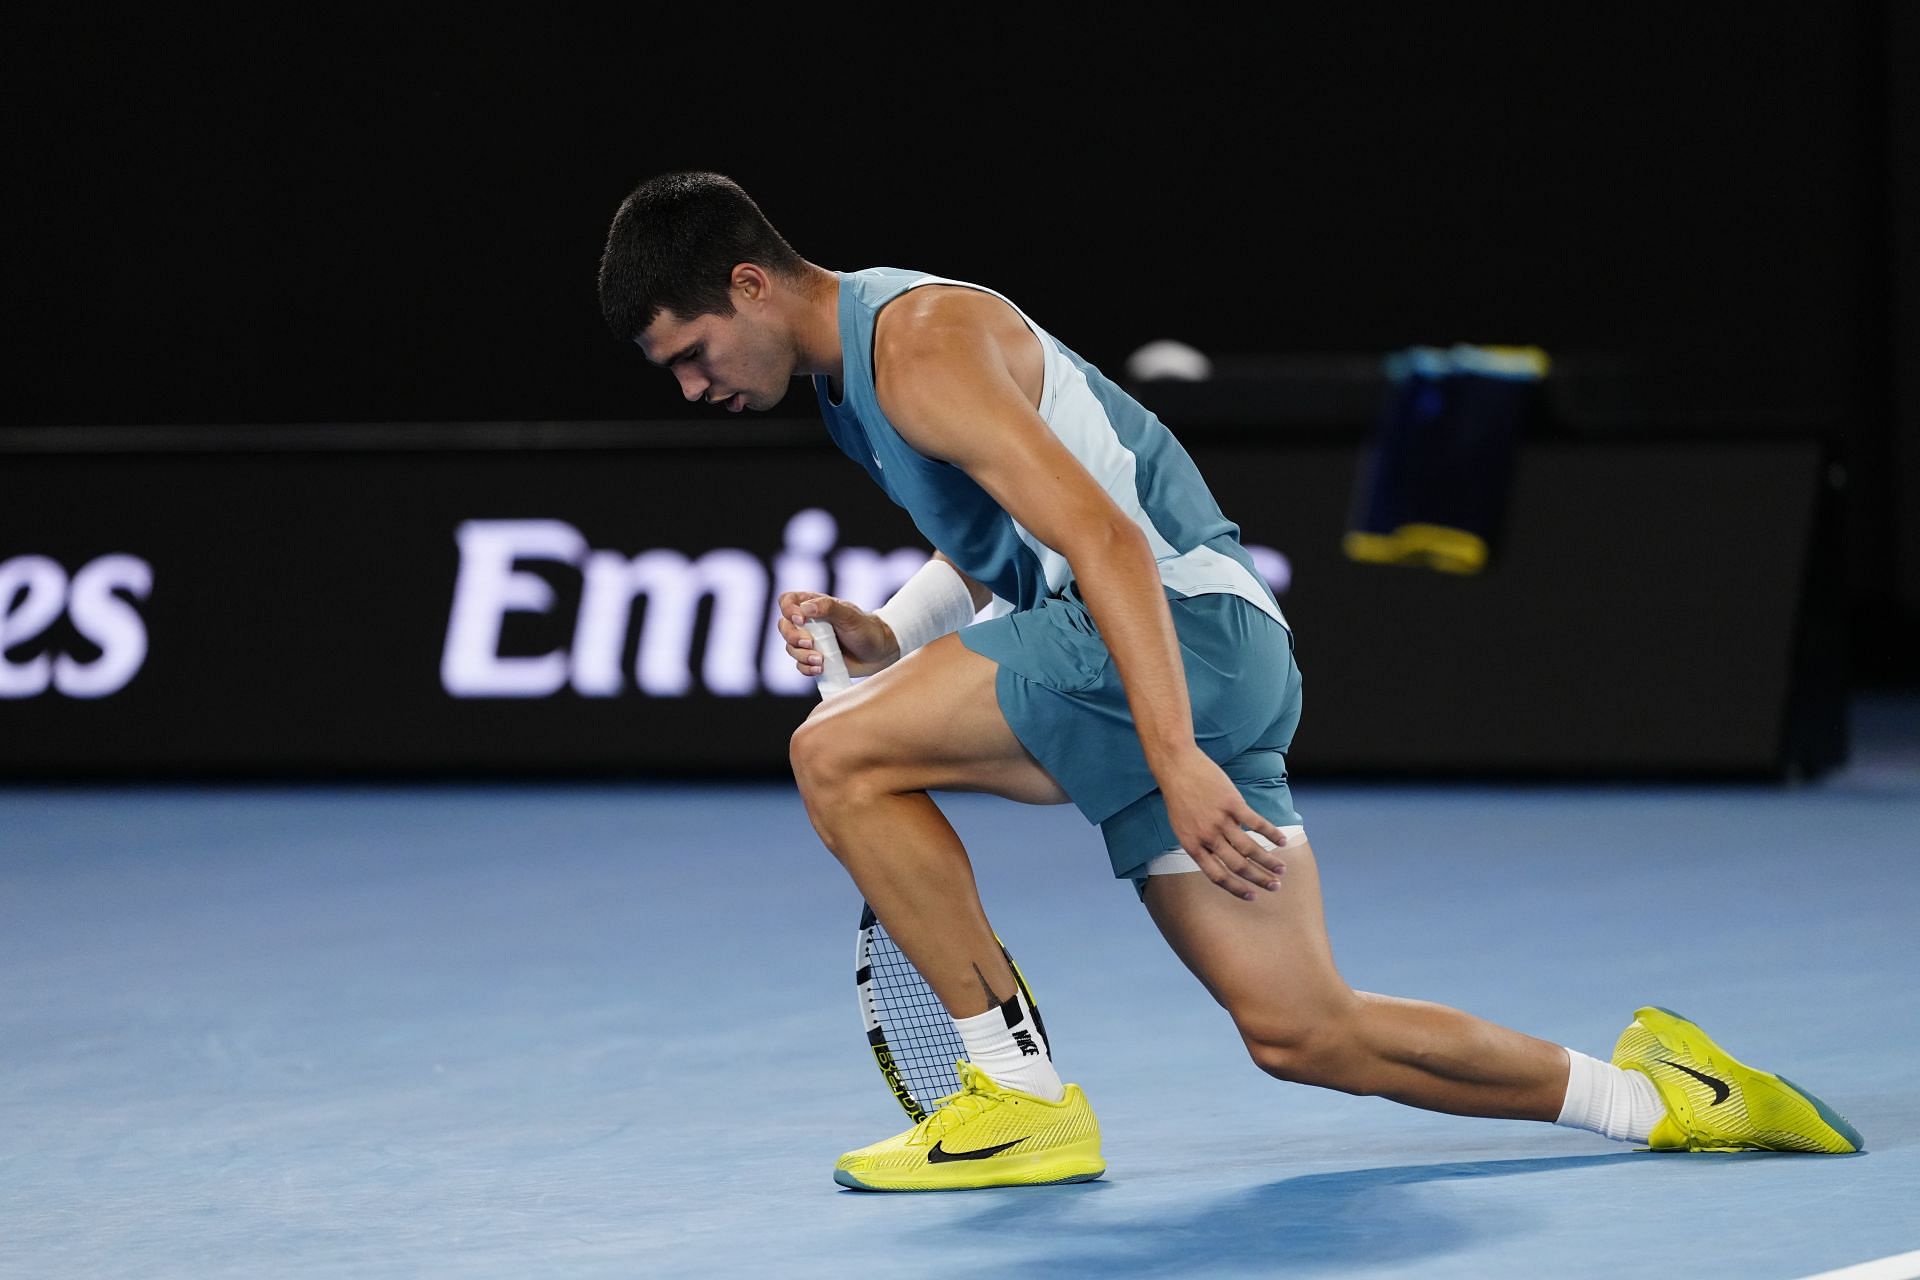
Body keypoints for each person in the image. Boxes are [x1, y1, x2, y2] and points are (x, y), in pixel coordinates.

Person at [596, 171, 1863, 1192]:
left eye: (693, 351)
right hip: (1197, 651)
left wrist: (1178, 750)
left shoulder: (915, 339)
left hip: (1172, 641)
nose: (696, 386)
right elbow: (1010, 545)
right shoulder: (853, 385)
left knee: (834, 755)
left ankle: (1015, 1094)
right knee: (1304, 1030)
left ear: (750, 282)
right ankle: (1664, 1096)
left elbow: (1099, 541)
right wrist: (893, 627)